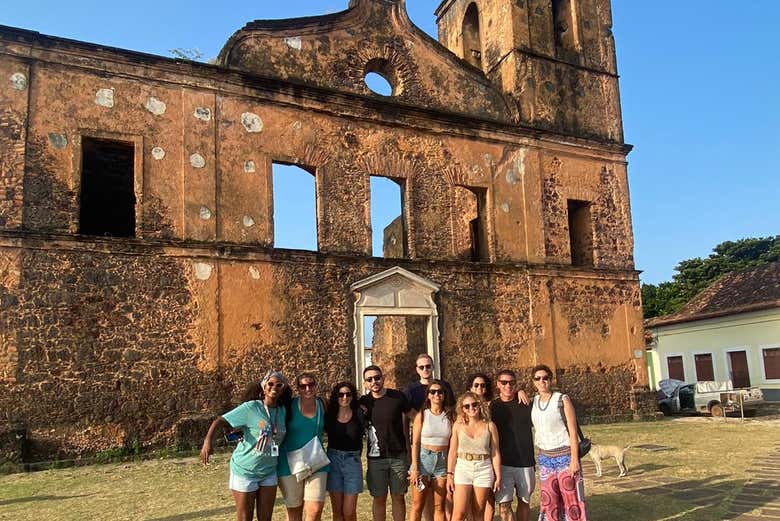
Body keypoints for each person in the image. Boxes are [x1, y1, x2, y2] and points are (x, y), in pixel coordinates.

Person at [200, 370, 291, 521]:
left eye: (279, 384)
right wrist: (208, 441)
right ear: (264, 386)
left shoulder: (282, 411)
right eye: (270, 383)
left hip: (269, 471)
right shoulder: (251, 408)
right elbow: (220, 421)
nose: (274, 387)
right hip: (245, 471)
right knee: (244, 518)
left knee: (266, 518)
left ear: (283, 389)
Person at [531, 364, 588, 521]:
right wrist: (520, 391)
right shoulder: (533, 402)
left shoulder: (562, 400)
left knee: (571, 499)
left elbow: (572, 431)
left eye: (545, 378)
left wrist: (575, 460)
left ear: (550, 380)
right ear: (533, 382)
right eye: (538, 378)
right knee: (549, 500)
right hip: (545, 458)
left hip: (565, 456)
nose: (542, 381)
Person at [359, 365, 413, 521]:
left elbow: (416, 417)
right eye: (369, 379)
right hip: (376, 459)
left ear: (383, 378)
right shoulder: (363, 402)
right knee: (379, 498)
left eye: (377, 377)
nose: (374, 381)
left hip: (398, 456)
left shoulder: (397, 397)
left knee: (398, 497)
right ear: (365, 383)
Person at [278, 373, 329, 521]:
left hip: (316, 460)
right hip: (288, 463)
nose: (307, 389)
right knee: (294, 511)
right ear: (298, 389)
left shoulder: (323, 405)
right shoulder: (289, 406)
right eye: (303, 386)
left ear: (316, 386)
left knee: (315, 510)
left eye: (311, 385)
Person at [447, 391, 501, 521]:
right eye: (467, 406)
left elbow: (495, 452)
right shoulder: (458, 426)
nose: (471, 408)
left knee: (478, 511)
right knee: (459, 513)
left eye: (474, 404)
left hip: (483, 468)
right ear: (462, 409)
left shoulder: (490, 426)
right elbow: (452, 452)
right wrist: (450, 474)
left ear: (480, 405)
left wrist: (498, 476)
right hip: (463, 467)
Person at [490, 370, 535, 521]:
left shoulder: (525, 403)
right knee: (504, 505)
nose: (507, 385)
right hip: (503, 464)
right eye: (504, 382)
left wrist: (522, 391)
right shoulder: (493, 407)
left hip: (525, 461)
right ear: (498, 384)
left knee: (524, 501)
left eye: (511, 382)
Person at [410, 380, 454, 521]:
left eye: (440, 392)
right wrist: (415, 468)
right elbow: (415, 443)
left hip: (442, 461)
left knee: (439, 506)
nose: (436, 395)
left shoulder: (450, 416)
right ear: (428, 395)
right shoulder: (422, 415)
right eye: (432, 392)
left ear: (444, 395)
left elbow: (453, 442)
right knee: (418, 505)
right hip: (423, 460)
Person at [324, 381, 364, 521]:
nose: (345, 397)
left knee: (349, 512)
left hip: (352, 462)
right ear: (336, 396)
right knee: (337, 512)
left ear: (353, 396)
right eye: (341, 394)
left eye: (348, 394)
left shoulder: (360, 413)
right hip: (333, 461)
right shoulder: (329, 414)